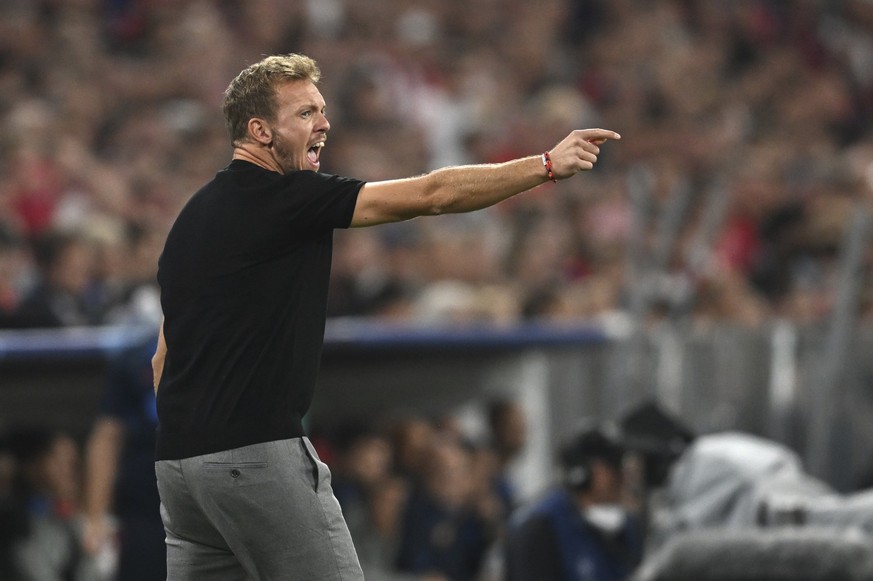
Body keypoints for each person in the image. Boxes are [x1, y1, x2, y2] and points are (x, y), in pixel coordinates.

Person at [151, 52, 620, 581]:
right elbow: (432, 194)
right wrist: (546, 165)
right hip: (255, 457)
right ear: (259, 130)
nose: (324, 122)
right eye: (304, 113)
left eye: (321, 109)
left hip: (180, 468)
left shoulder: (189, 221)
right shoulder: (287, 197)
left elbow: (163, 358)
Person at [505, 422, 643, 581]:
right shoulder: (540, 529)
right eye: (613, 468)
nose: (623, 478)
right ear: (584, 472)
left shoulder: (627, 526)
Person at [82, 335, 165, 581]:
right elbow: (107, 437)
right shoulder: (135, 358)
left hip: (215, 496)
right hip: (148, 505)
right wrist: (96, 519)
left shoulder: (228, 347)